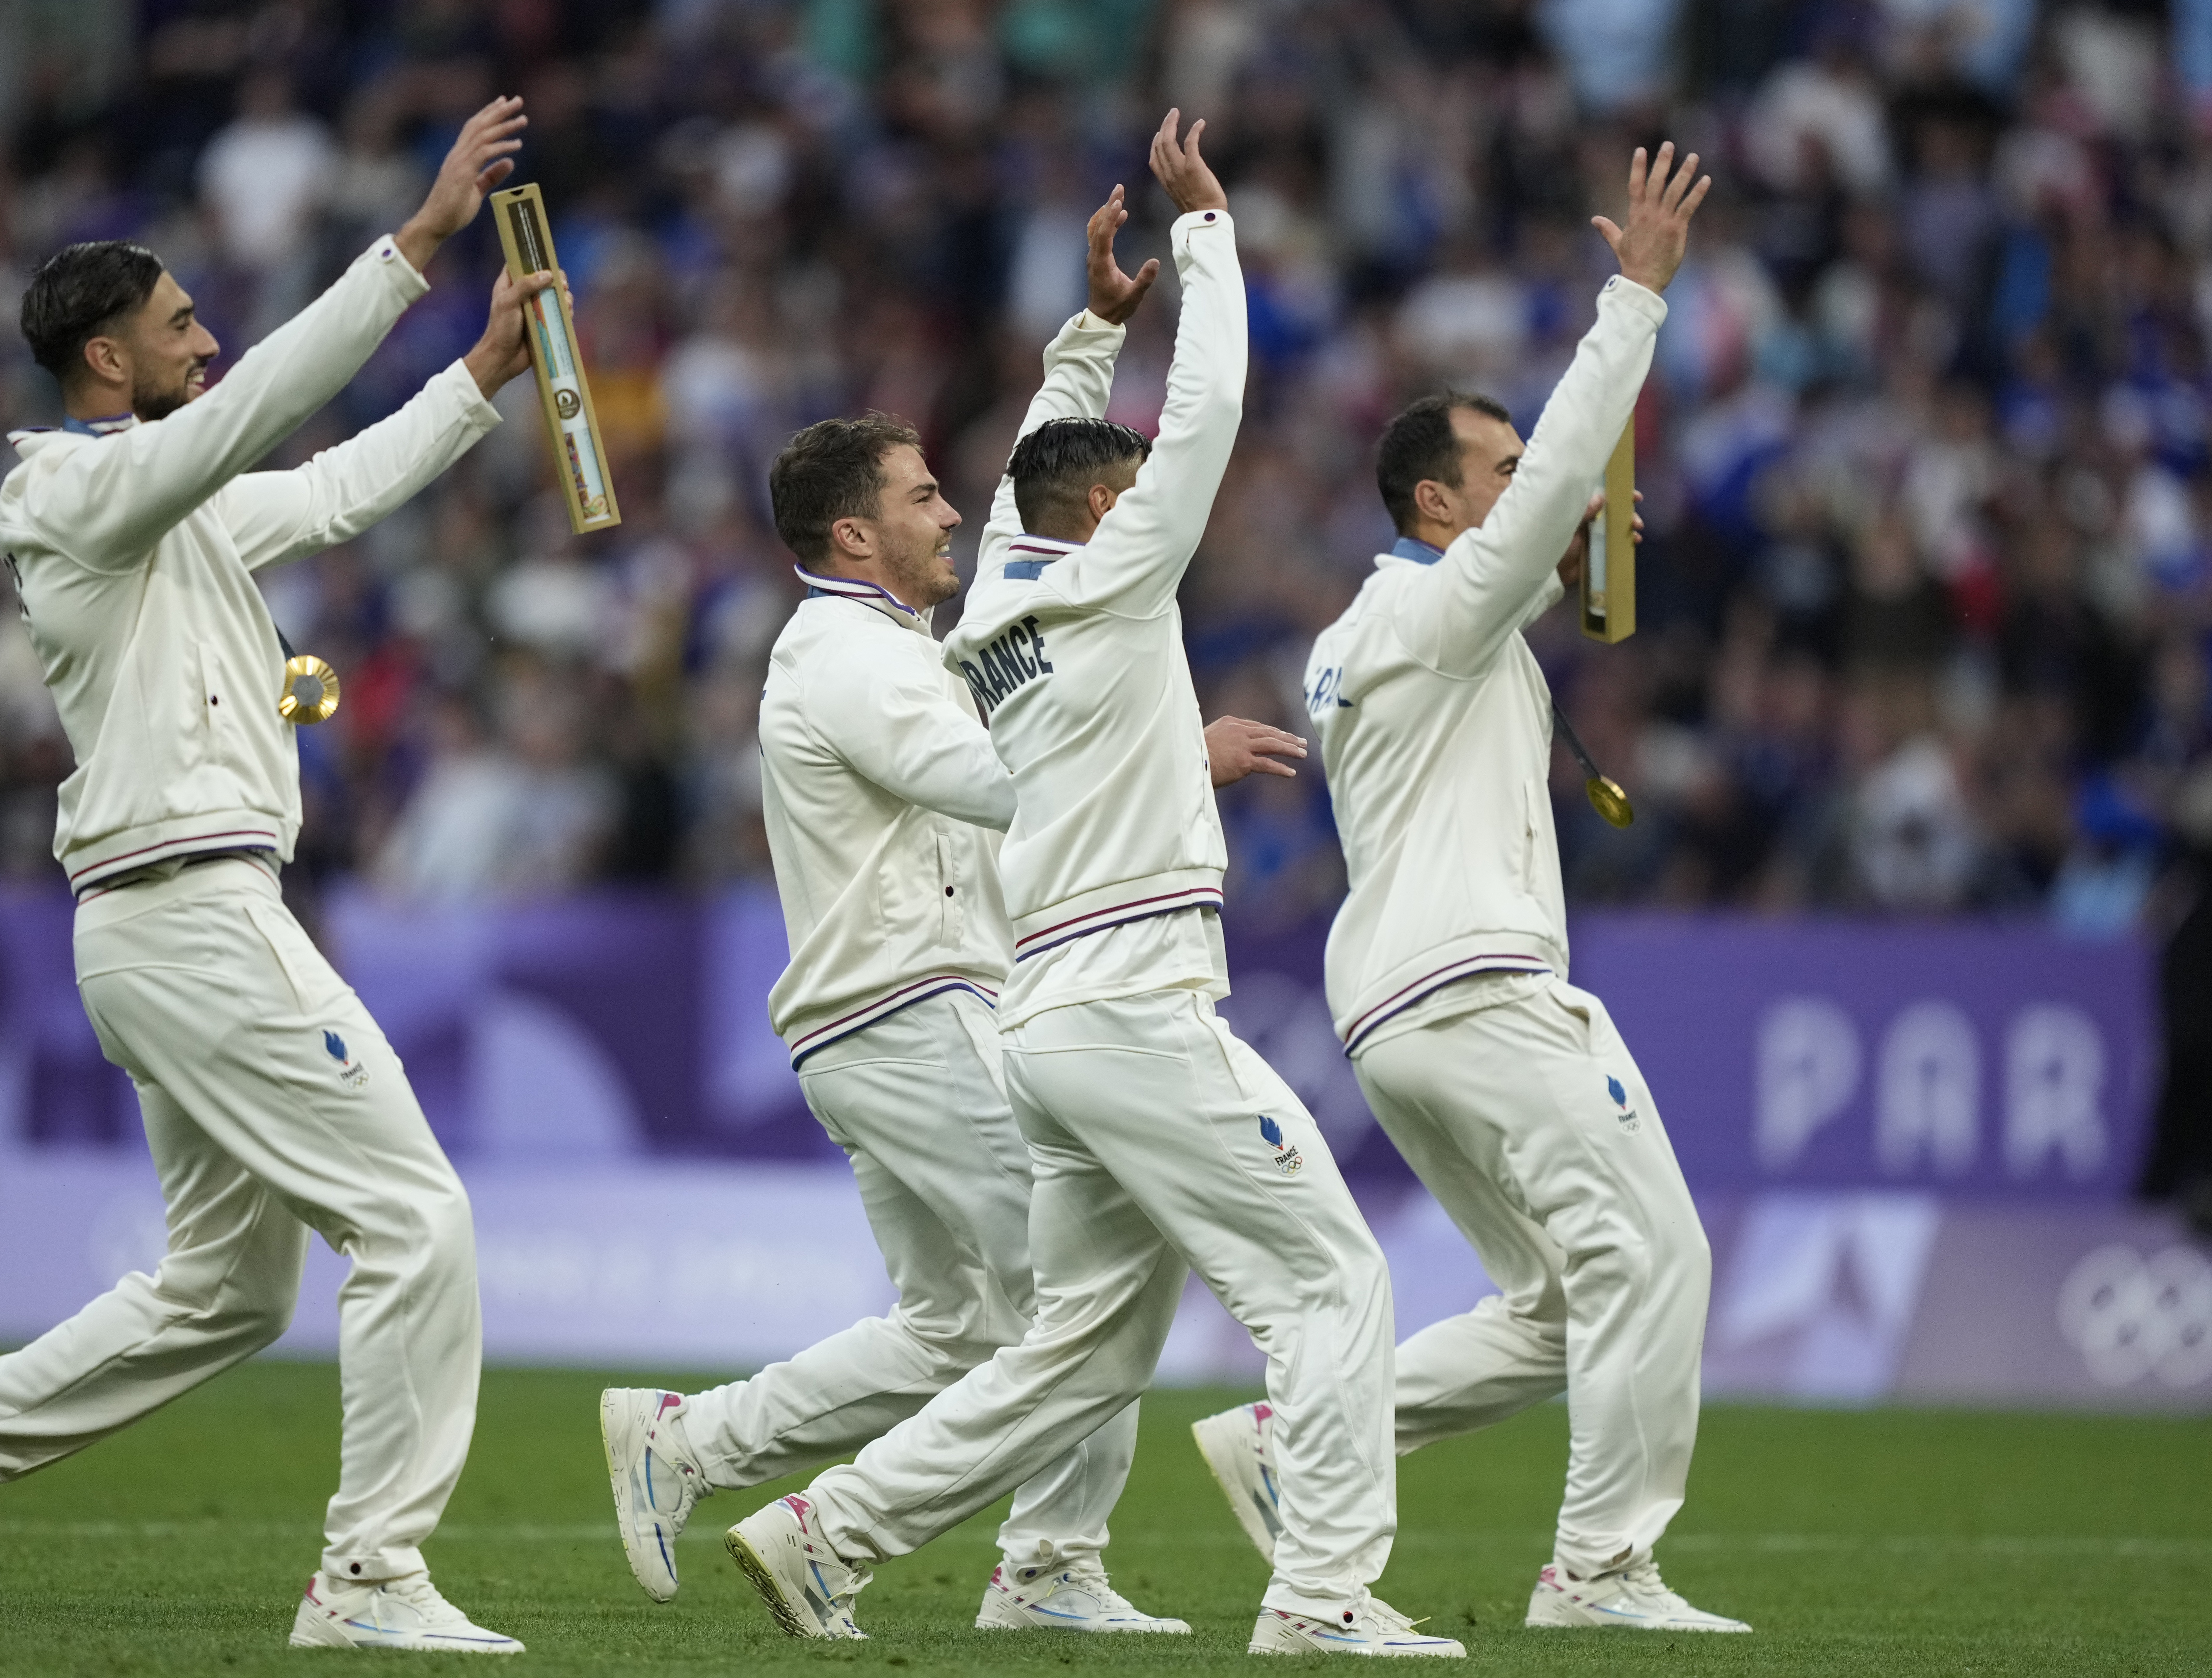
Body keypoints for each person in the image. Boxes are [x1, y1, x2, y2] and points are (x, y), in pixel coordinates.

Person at [718, 112, 1460, 1660]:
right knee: (1330, 1283)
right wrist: (1210, 235)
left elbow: (1026, 485)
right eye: (1136, 501)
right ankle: (1321, 1600)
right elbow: (1210, 416)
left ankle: (823, 1531)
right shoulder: (1115, 578)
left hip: (1042, 1011)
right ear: (1114, 523)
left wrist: (1082, 338)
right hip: (1129, 995)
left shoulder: (995, 597)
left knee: (1079, 1345)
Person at [598, 188, 1305, 1636]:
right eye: (924, 498)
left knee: (963, 1325)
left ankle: (694, 1445)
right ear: (855, 535)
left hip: (900, 1015)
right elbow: (1002, 784)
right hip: (913, 1006)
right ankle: (1042, 1569)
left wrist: (1090, 339)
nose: (955, 510)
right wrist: (1183, 751)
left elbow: (1040, 504)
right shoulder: (839, 659)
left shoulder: (897, 632)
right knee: (1083, 1290)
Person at [0, 98, 559, 1656]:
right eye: (179, 324)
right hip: (188, 921)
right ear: (107, 360)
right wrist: (420, 240)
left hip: (183, 924)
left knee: (227, 1294)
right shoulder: (64, 496)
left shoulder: (176, 499)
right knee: (416, 1221)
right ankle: (370, 1582)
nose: (207, 336)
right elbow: (252, 432)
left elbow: (329, 489)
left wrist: (479, 382)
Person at [1192, 143, 1749, 1635]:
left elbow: (1547, 547)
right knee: (1652, 1254)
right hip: (1479, 988)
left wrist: (1568, 565)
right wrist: (1631, 302)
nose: (1527, 493)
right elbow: (1566, 477)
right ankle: (1599, 1573)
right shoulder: (1427, 617)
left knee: (1566, 1306)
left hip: (1402, 1009)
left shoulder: (1392, 627)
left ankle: (1291, 1440)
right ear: (1438, 501)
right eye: (1498, 477)